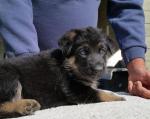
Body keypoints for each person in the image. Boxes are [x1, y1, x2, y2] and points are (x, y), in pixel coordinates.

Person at [0, 0, 150, 98]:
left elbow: (127, 6)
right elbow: (13, 4)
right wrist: (29, 69)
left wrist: (136, 65)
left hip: (83, 77)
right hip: (33, 67)